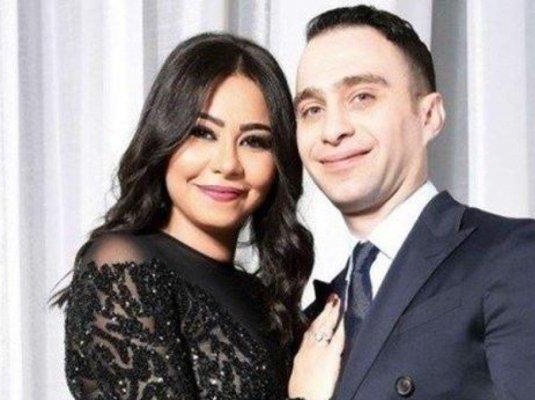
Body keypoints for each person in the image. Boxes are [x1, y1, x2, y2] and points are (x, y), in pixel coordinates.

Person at [295, 5, 535, 399]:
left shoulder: (515, 256)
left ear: (429, 116)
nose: (333, 129)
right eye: (312, 109)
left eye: (362, 97)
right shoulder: (318, 319)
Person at [53, 32, 343, 400]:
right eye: (203, 133)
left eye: (254, 141)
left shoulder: (264, 300)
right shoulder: (122, 265)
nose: (227, 164)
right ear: (164, 138)